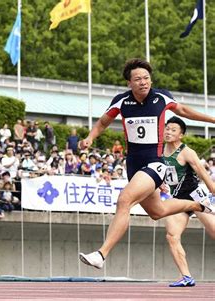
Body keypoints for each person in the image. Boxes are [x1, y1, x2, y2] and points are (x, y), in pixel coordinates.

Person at [78, 58, 214, 270]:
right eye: (138, 79)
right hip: (133, 166)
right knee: (157, 212)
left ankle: (101, 254)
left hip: (155, 164)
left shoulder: (160, 97)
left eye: (147, 78)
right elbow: (104, 121)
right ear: (129, 83)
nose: (143, 82)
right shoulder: (121, 101)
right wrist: (90, 138)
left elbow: (184, 111)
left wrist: (213, 120)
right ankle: (196, 206)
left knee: (124, 200)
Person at [162, 117, 215, 287]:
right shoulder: (158, 151)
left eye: (173, 130)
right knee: (172, 236)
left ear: (181, 135)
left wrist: (213, 191)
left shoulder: (187, 152)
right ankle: (186, 277)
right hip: (177, 200)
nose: (168, 132)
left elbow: (203, 174)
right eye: (167, 128)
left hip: (196, 196)